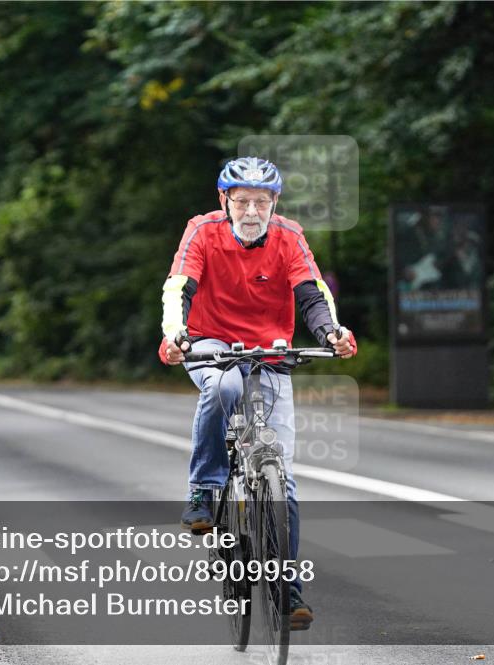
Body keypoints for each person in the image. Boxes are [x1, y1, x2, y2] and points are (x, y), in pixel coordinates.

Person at [157, 156, 357, 630]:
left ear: (274, 203)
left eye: (261, 202)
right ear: (223, 200)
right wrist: (176, 334)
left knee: (281, 478)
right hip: (207, 343)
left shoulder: (289, 236)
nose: (251, 211)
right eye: (242, 201)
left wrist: (330, 332)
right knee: (224, 386)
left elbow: (311, 293)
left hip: (270, 351)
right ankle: (204, 489)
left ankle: (287, 591)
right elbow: (178, 287)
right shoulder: (202, 231)